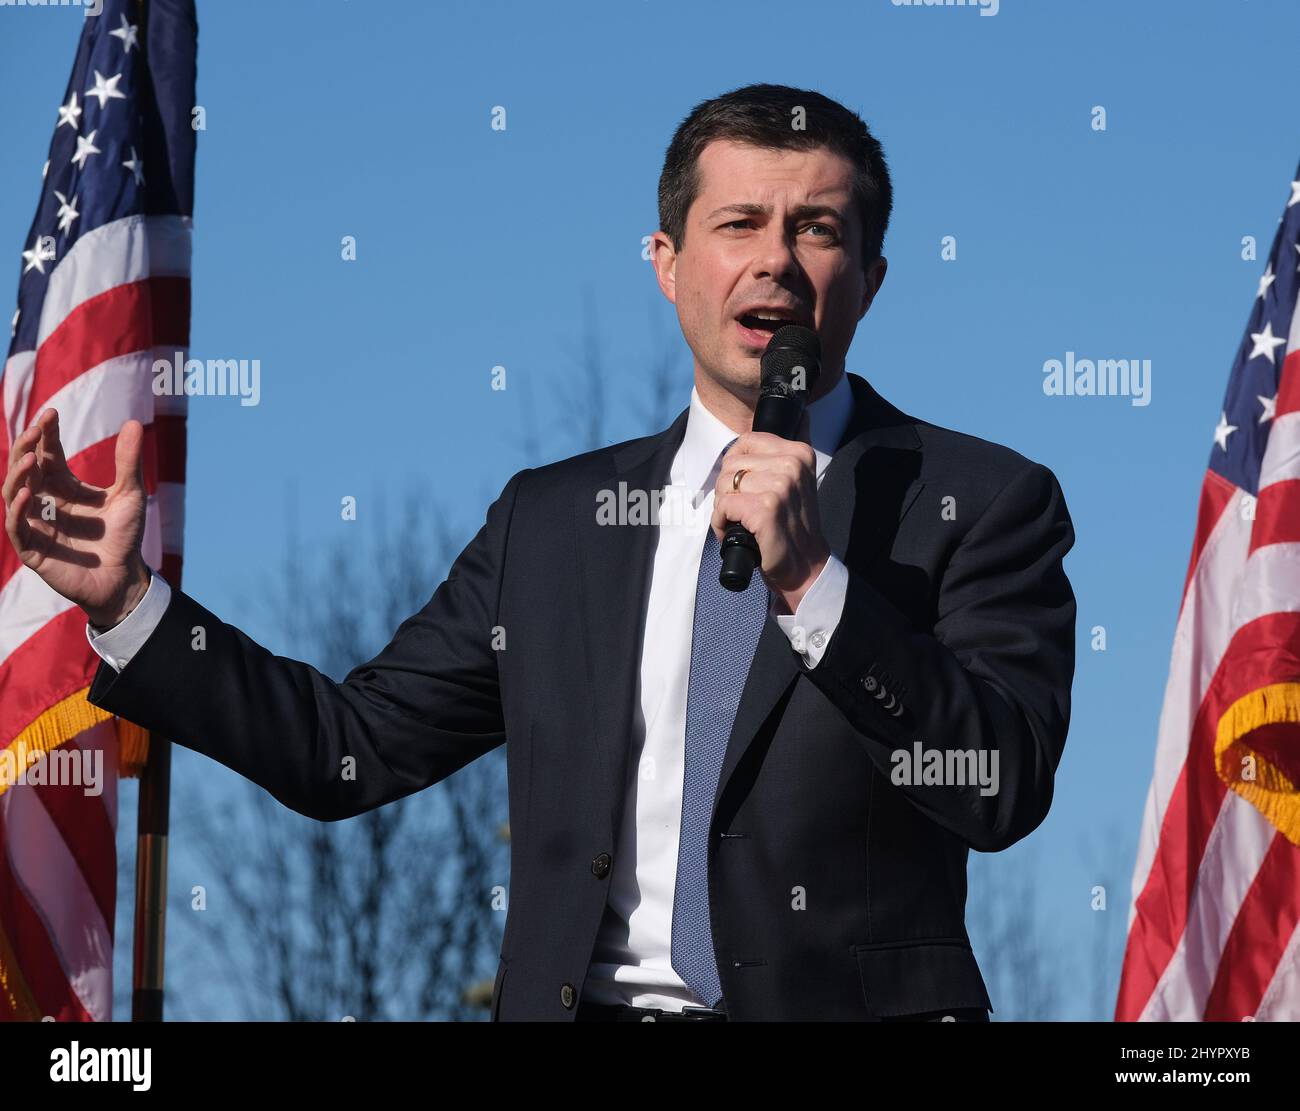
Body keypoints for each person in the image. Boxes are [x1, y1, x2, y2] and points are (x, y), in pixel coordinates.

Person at [3, 83, 1076, 1022]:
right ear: (666, 262)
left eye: (818, 229)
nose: (776, 262)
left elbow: (998, 785)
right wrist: (130, 604)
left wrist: (812, 583)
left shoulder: (980, 501)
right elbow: (349, 749)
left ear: (875, 276)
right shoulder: (553, 522)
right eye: (739, 222)